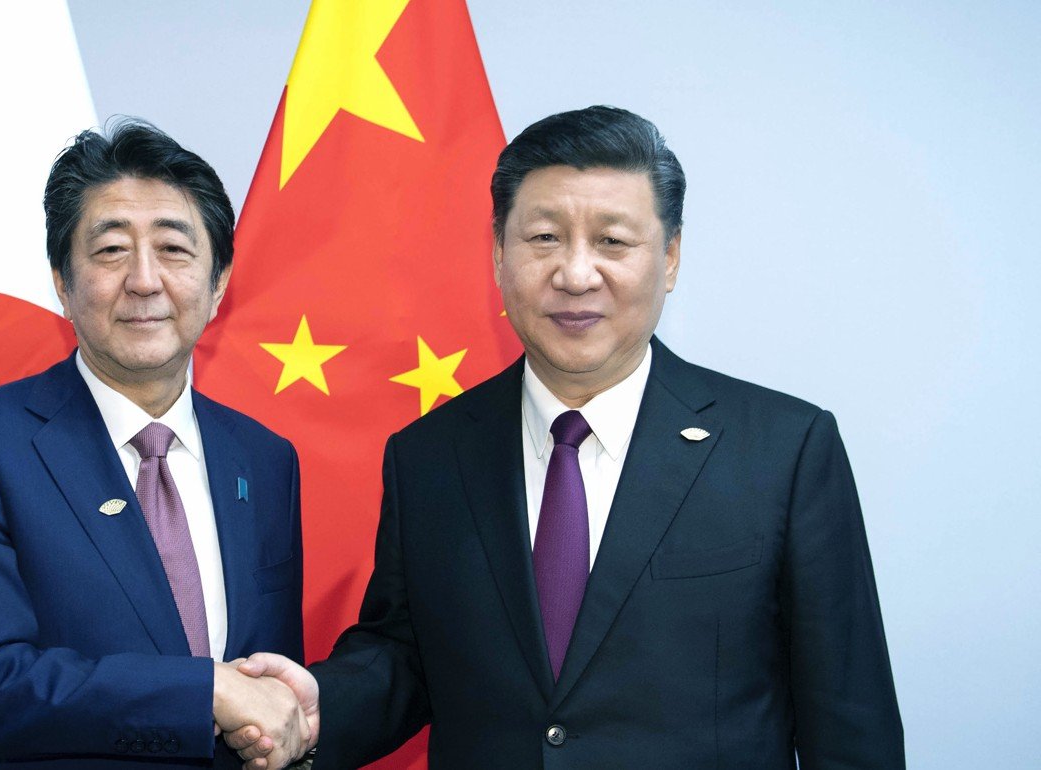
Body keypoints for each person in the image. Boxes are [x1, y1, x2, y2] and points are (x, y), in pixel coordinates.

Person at [229, 105, 904, 769]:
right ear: (499, 254)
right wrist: (320, 708)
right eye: (545, 237)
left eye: (613, 242)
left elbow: (849, 721)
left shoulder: (784, 450)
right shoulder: (429, 454)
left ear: (670, 257)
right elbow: (409, 655)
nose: (576, 275)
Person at [0, 118, 311, 769]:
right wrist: (202, 691)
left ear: (218, 284)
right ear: (63, 283)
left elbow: (269, 693)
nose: (144, 280)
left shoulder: (265, 460)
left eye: (174, 249)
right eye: (111, 250)